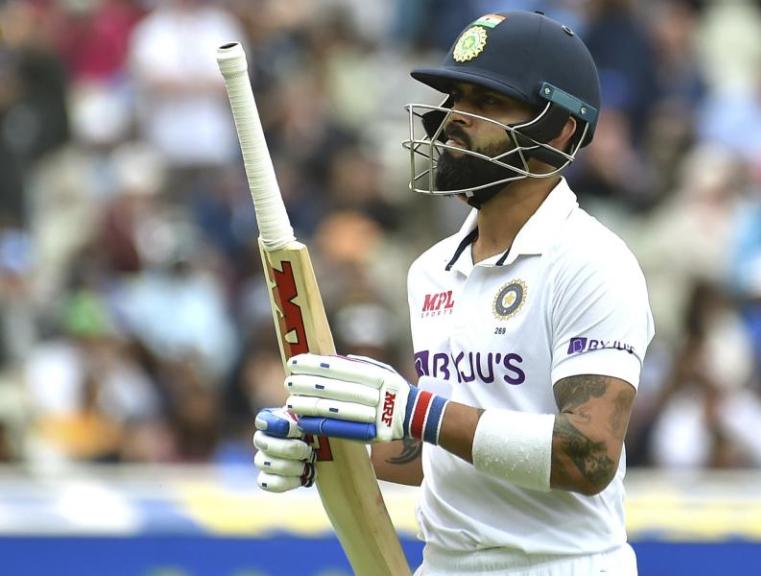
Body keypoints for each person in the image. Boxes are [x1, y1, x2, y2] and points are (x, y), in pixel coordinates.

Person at [252, 11, 654, 575]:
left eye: (487, 103)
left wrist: (412, 408)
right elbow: (447, 449)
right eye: (456, 98)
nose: (453, 121)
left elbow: (586, 457)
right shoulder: (430, 271)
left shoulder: (592, 261)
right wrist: (332, 454)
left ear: (560, 130)